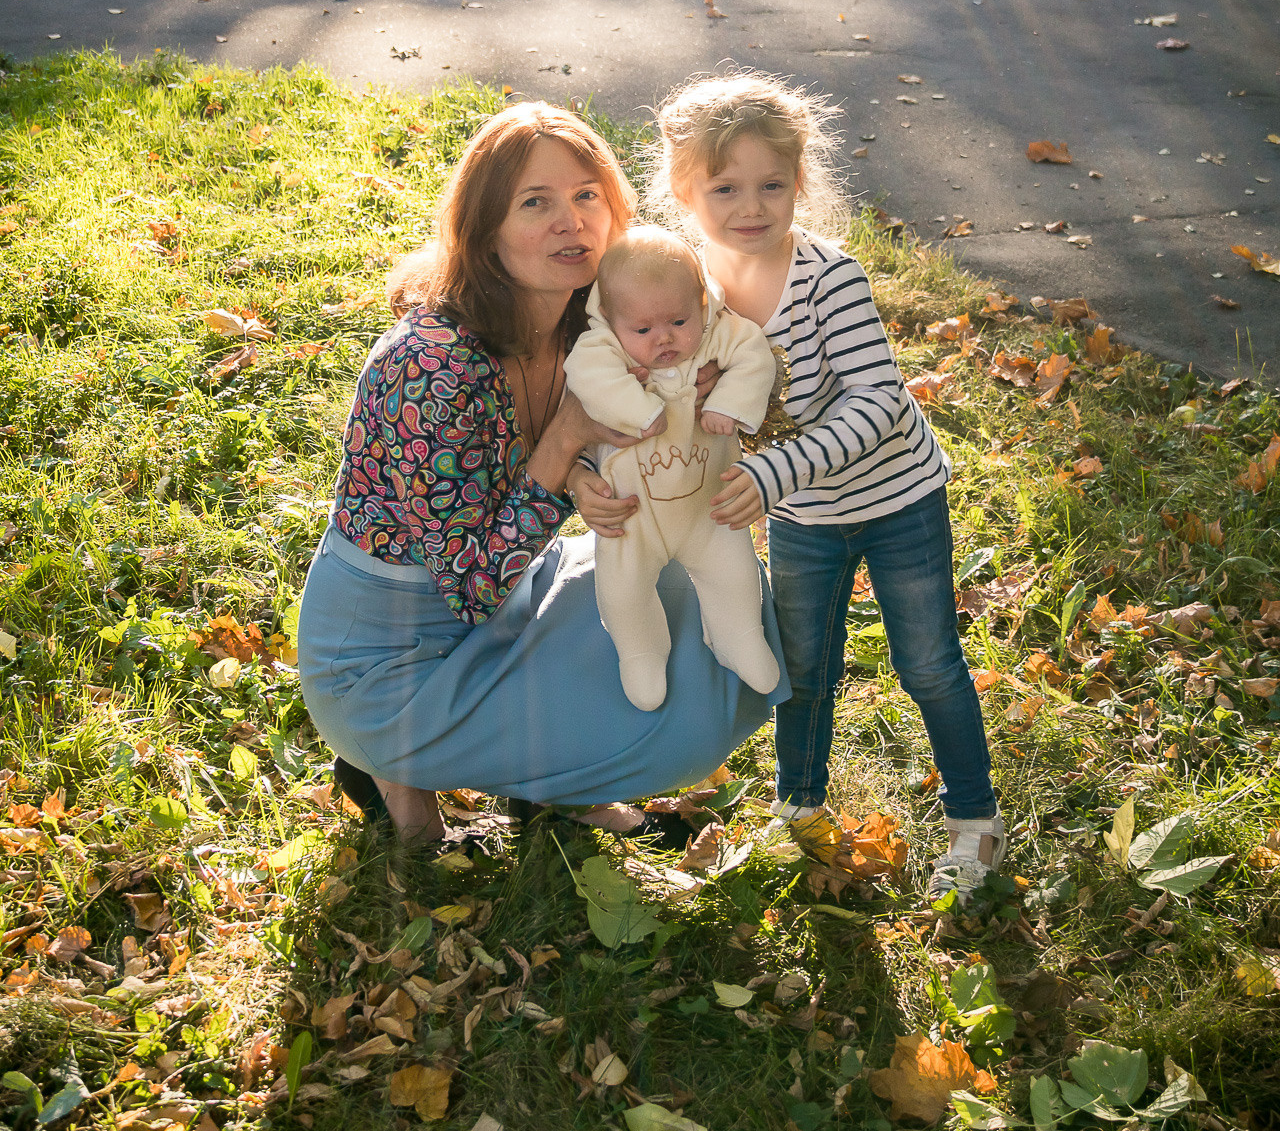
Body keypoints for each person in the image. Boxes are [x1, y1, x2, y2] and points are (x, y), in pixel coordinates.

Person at [295, 100, 788, 843]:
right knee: (662, 716)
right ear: (486, 229)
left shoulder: (591, 323)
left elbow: (721, 336)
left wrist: (704, 392)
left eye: (587, 196)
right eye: (537, 203)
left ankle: (548, 783)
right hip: (397, 654)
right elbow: (470, 584)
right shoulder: (429, 367)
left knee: (701, 602)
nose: (572, 221)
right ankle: (395, 766)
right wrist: (563, 444)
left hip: (514, 595)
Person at [646, 72, 1005, 903]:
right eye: (725, 187)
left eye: (773, 184)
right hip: (805, 516)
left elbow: (880, 400)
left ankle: (974, 821)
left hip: (896, 502)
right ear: (683, 191)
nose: (751, 205)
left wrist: (770, 472)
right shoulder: (689, 291)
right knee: (802, 667)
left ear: (800, 183)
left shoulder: (825, 278)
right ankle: (799, 809)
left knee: (928, 664)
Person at [564, 225, 782, 711]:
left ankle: (738, 637)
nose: (663, 338)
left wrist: (729, 400)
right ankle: (641, 652)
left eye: (678, 321)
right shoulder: (606, 351)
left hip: (709, 505)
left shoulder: (712, 336)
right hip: (633, 516)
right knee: (622, 590)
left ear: (702, 303)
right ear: (611, 321)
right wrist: (639, 411)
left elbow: (753, 352)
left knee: (735, 572)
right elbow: (587, 375)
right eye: (643, 329)